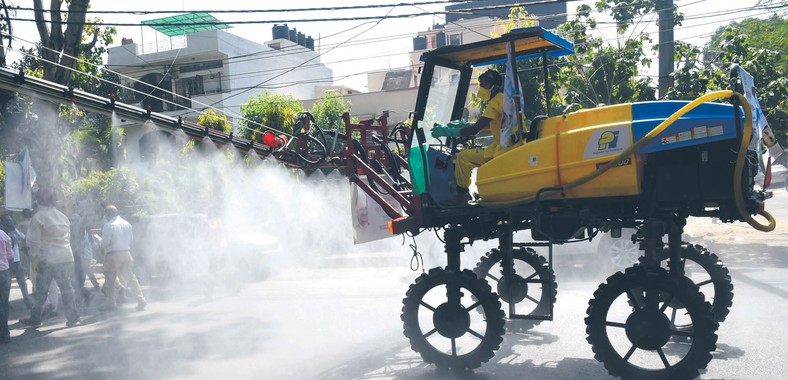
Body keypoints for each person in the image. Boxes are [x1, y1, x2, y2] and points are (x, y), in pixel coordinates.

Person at [431, 69, 516, 204]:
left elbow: (475, 130)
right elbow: (492, 123)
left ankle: (461, 196)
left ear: (496, 86)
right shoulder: (505, 99)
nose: (481, 89)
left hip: (505, 148)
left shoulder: (496, 102)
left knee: (463, 157)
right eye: (480, 85)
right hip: (511, 145)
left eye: (485, 85)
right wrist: (463, 126)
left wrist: (449, 132)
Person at [19, 190, 81, 328]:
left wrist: (34, 260)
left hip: (47, 259)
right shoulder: (63, 217)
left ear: (39, 201)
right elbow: (68, 238)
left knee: (41, 291)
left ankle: (35, 319)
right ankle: (74, 318)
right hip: (65, 256)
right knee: (67, 288)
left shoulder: (38, 217)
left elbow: (34, 243)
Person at [96, 205, 146, 311]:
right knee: (131, 278)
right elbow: (130, 239)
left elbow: (105, 243)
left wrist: (97, 238)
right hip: (126, 253)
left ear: (108, 214)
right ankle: (141, 300)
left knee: (110, 279)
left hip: (112, 255)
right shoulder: (127, 224)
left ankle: (111, 304)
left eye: (105, 214)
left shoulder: (108, 225)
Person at [0, 214, 32, 309]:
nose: (9, 222)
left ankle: (27, 300)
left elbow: (22, 237)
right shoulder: (3, 233)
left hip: (16, 261)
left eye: (10, 220)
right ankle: (6, 302)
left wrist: (14, 229)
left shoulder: (13, 231)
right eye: (6, 220)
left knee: (22, 282)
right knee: (6, 284)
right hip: (6, 263)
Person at [0, 227, 13, 343]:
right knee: (3, 304)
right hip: (3, 273)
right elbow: (10, 256)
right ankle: (5, 333)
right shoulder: (3, 234)